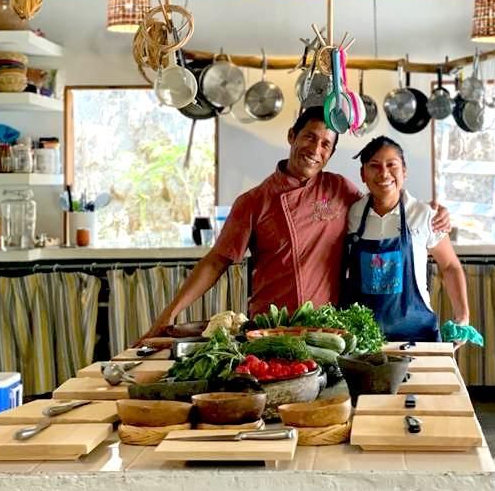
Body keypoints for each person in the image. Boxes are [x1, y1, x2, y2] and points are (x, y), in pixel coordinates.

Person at [136, 108, 451, 342]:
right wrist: (169, 314)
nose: (315, 150)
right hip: (270, 328)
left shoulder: (340, 189)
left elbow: (385, 197)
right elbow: (217, 260)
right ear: (292, 136)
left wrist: (431, 211)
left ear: (330, 153)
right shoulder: (254, 201)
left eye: (326, 144)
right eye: (309, 137)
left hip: (328, 330)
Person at [344, 136, 469, 341]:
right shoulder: (350, 214)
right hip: (362, 339)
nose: (384, 173)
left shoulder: (424, 214)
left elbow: (449, 266)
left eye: (391, 165)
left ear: (404, 171)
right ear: (363, 174)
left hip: (417, 335)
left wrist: (462, 317)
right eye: (374, 166)